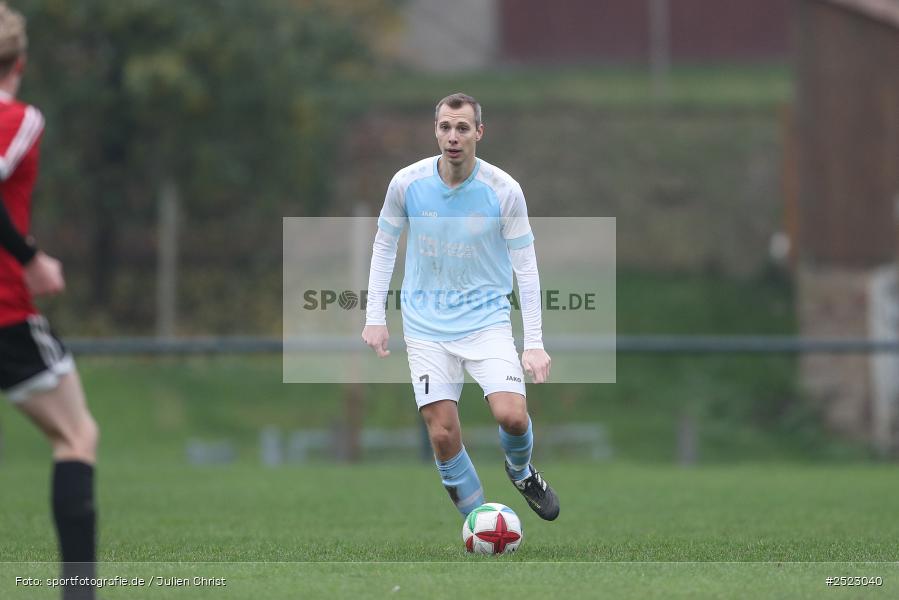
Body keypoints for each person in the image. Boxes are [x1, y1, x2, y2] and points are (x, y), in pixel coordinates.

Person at [362, 92, 559, 521]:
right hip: (426, 326)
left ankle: (522, 472)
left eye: (462, 128)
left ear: (479, 133)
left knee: (511, 416)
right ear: (436, 131)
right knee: (443, 433)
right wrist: (374, 316)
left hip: (486, 321)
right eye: (445, 127)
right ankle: (481, 524)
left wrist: (535, 343)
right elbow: (384, 244)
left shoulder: (504, 191)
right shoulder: (406, 184)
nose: (453, 136)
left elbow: (526, 265)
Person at [0, 4, 98, 599]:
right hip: (5, 310)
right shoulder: (19, 118)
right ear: (21, 62)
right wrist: (31, 256)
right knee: (76, 435)